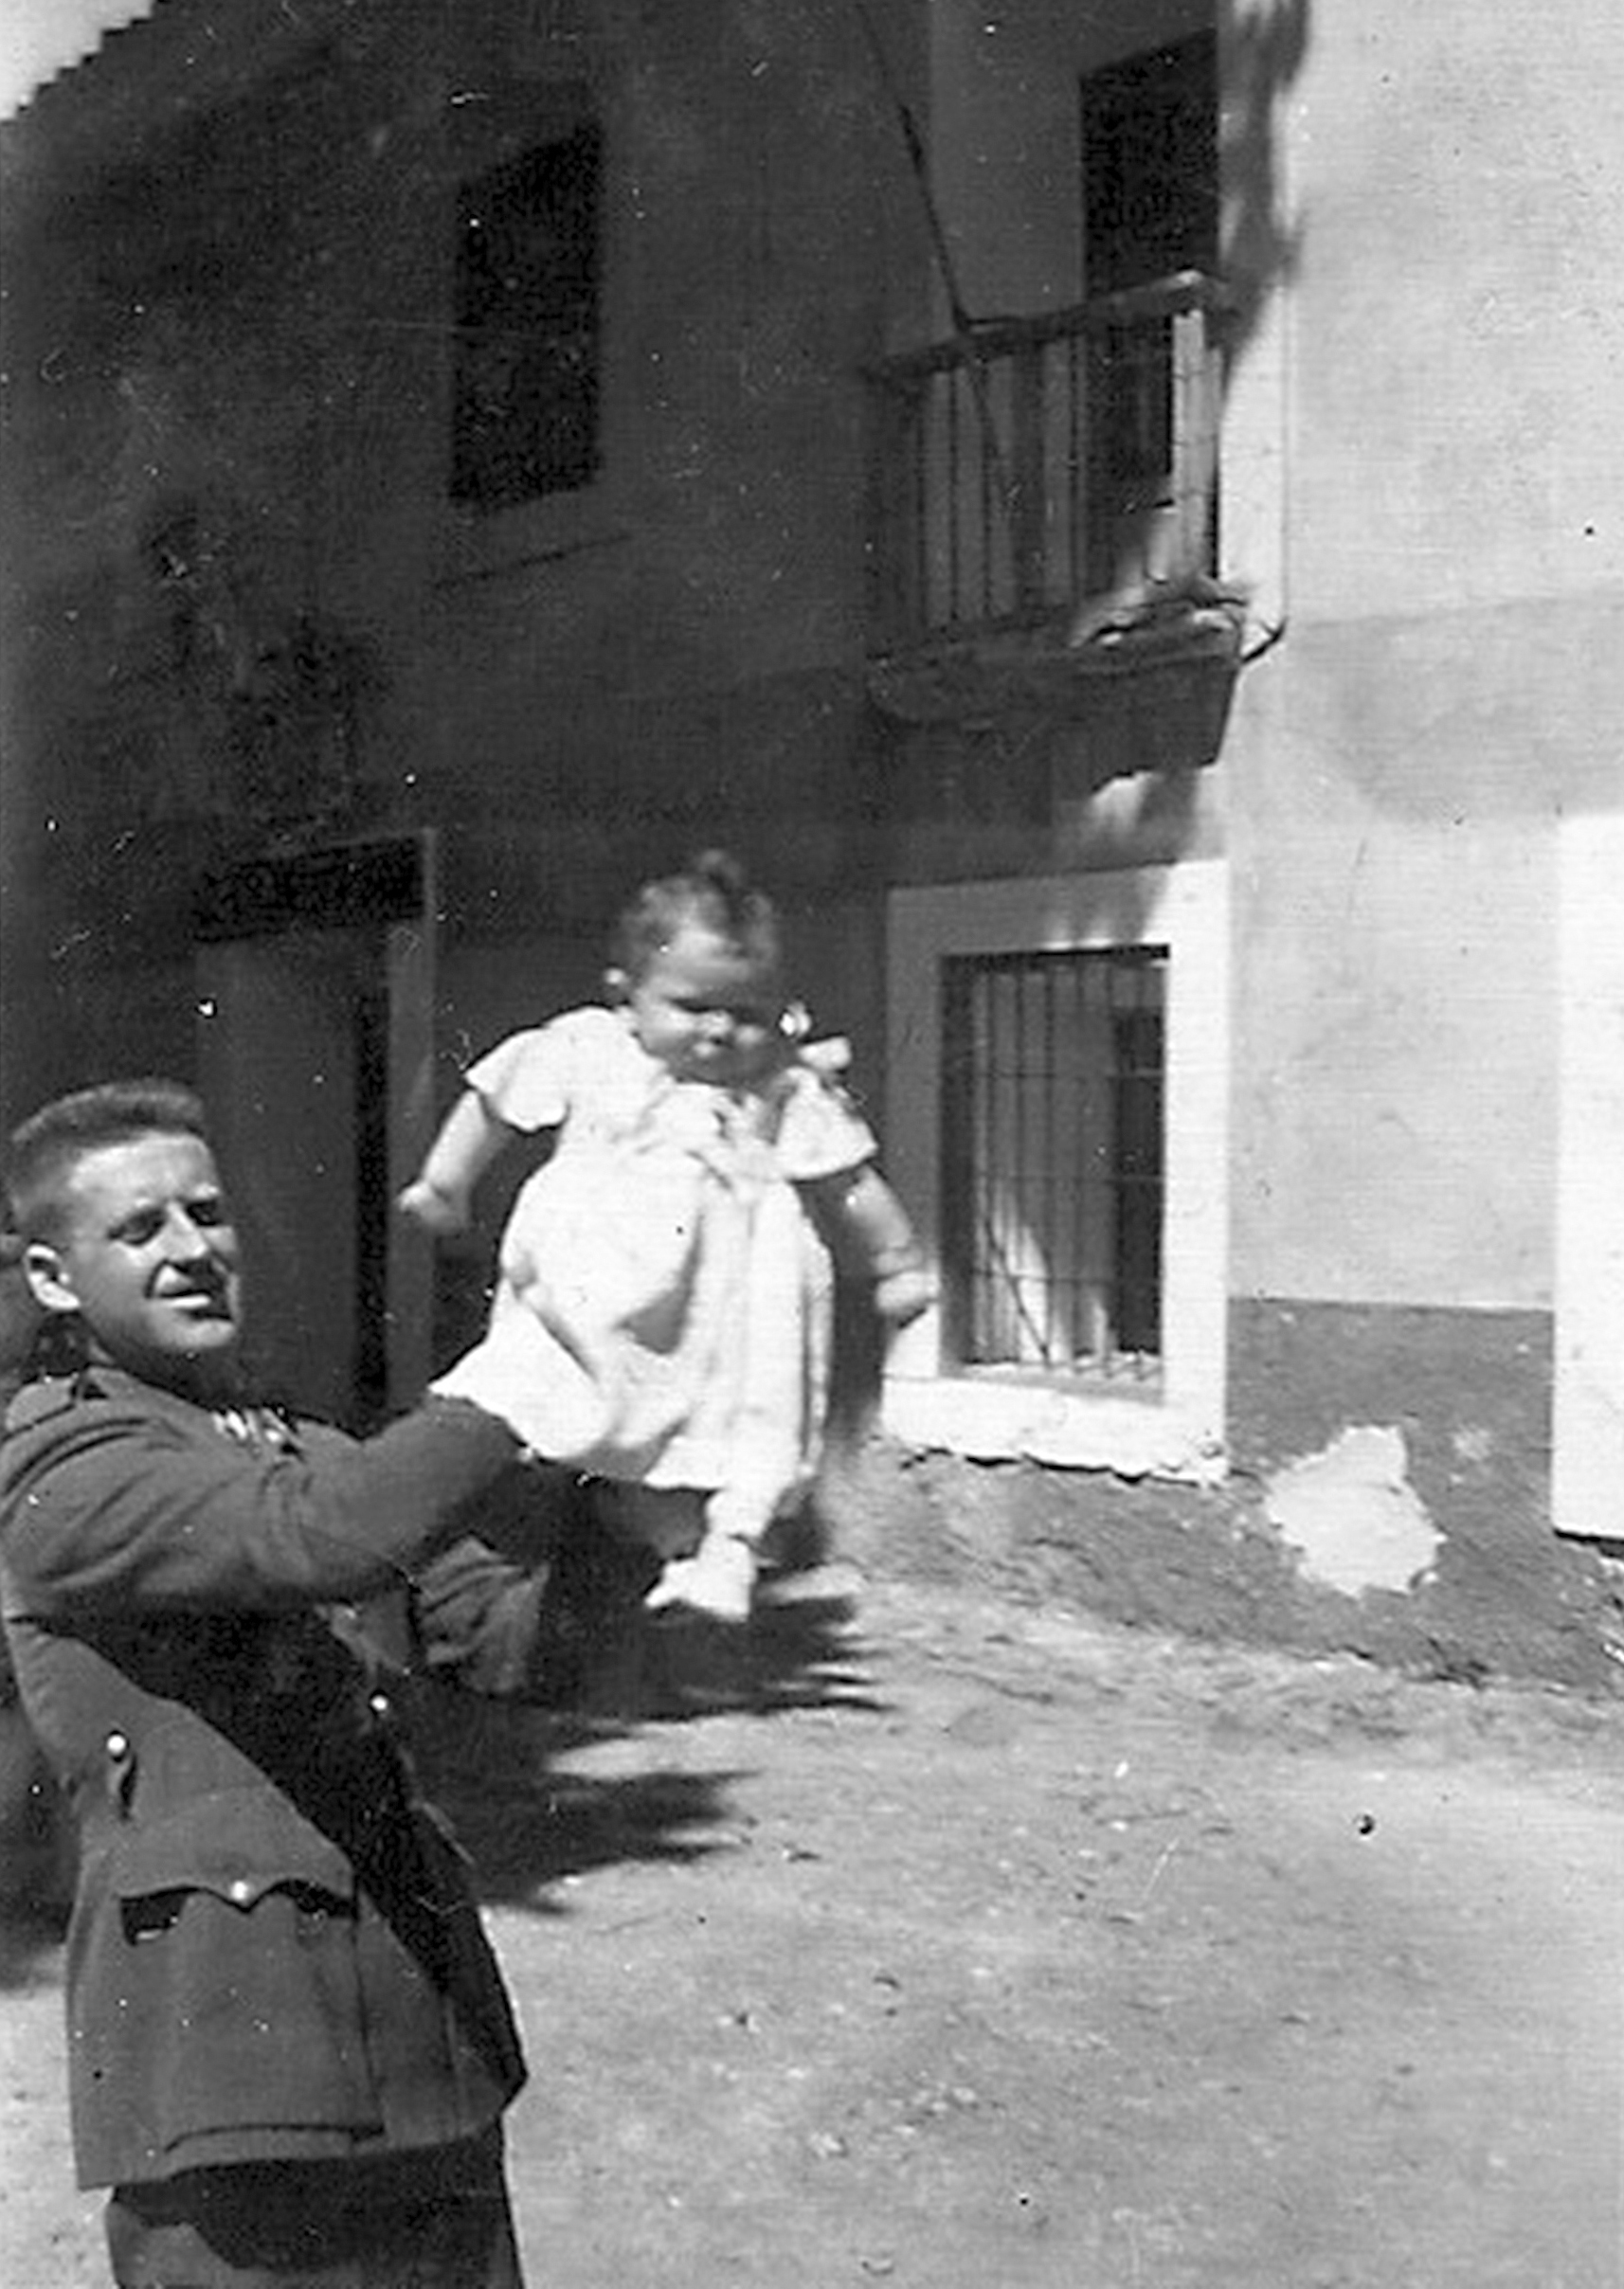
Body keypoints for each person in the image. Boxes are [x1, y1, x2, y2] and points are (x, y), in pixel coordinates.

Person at [0, 1076, 574, 2288]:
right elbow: (311, 1538)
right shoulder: (59, 1465)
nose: (191, 1248)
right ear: (54, 1277)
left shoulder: (303, 1446)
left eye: (207, 1212)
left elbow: (503, 1641)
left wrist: (630, 1526)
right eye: (139, 1228)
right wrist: (519, 1375)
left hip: (425, 2055)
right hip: (230, 2082)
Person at [403, 849, 934, 1630]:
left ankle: (724, 1552)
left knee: (747, 1421)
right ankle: (569, 1525)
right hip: (596, 1287)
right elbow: (495, 1103)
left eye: (748, 1013)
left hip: (731, 1303)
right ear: (626, 996)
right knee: (555, 1392)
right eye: (692, 1006)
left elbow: (848, 1182)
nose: (721, 1030)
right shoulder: (588, 1049)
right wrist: (446, 1181)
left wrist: (894, 1260)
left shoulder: (780, 1089)